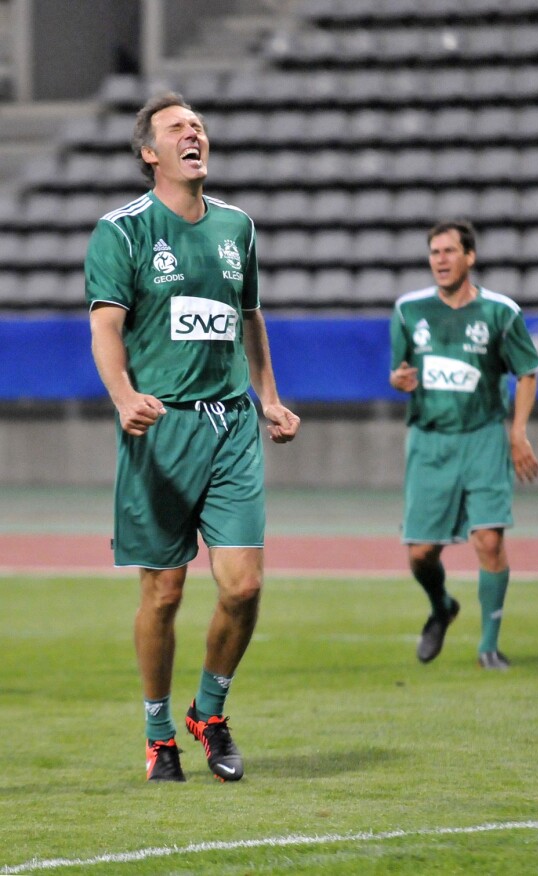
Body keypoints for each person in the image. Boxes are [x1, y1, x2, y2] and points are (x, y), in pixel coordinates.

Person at [84, 92, 300, 783]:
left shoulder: (238, 226)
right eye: (178, 128)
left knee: (243, 586)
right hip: (160, 427)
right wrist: (123, 398)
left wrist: (267, 397)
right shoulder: (122, 232)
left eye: (199, 125)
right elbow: (106, 328)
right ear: (150, 153)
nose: (194, 134)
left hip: (231, 424)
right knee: (165, 594)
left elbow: (251, 317)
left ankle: (209, 712)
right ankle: (157, 733)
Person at [389, 219, 538, 670]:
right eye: (434, 252)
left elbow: (527, 371)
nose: (440, 259)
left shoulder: (500, 313)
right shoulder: (408, 311)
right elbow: (398, 373)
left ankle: (488, 646)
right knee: (420, 553)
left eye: (449, 251)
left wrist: (517, 432)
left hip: (483, 438)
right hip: (430, 441)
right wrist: (398, 380)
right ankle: (442, 605)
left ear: (469, 257)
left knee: (489, 540)